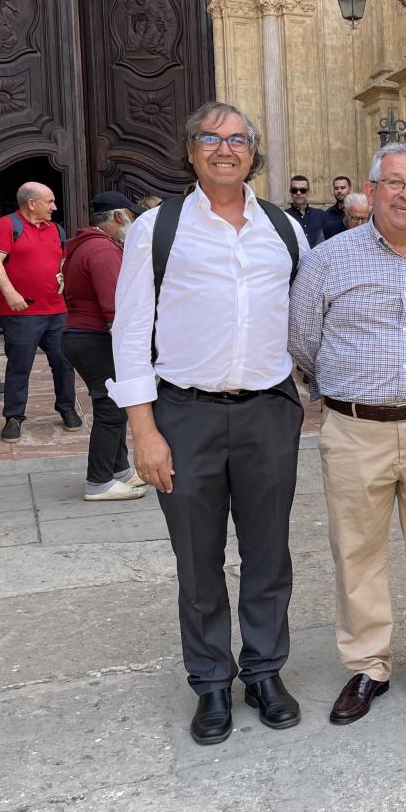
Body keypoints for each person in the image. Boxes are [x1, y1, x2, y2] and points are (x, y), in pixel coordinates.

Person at [109, 101, 309, 745]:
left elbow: (305, 314)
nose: (227, 148)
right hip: (185, 415)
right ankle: (211, 683)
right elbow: (131, 329)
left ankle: (265, 671)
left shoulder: (284, 228)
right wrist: (143, 429)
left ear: (254, 152)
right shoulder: (157, 229)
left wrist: (305, 389)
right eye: (211, 139)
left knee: (268, 554)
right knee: (198, 561)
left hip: (268, 413)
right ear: (190, 150)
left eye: (239, 139)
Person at [289, 142, 406, 724]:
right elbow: (302, 340)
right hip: (354, 427)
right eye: (395, 182)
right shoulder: (329, 258)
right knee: (356, 550)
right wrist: (344, 387)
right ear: (372, 188)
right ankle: (366, 664)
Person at [59, 192, 146, 501]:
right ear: (119, 216)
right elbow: (114, 305)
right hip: (94, 337)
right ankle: (99, 482)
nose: (134, 226)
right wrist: (132, 344)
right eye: (132, 219)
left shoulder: (86, 245)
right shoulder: (102, 250)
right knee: (110, 407)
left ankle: (119, 470)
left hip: (82, 335)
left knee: (115, 403)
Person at [0, 182, 81, 443]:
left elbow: (61, 259)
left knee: (63, 363)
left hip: (56, 310)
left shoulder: (56, 229)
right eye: (49, 202)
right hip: (22, 312)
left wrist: (63, 275)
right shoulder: (7, 226)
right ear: (31, 203)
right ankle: (13, 417)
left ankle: (67, 408)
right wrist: (11, 293)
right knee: (20, 366)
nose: (54, 207)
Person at [287, 174, 329, 248]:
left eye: (302, 190)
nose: (298, 193)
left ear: (309, 192)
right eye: (294, 190)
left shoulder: (320, 215)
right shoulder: (284, 216)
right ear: (290, 193)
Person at [323, 175, 352, 239]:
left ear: (350, 189)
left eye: (343, 188)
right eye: (336, 188)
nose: (339, 191)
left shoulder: (358, 211)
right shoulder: (326, 214)